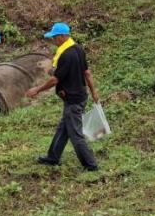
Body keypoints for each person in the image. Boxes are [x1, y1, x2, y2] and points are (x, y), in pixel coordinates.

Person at [26, 22, 100, 171]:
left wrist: (37, 90)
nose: (53, 40)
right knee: (63, 128)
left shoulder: (66, 55)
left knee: (75, 135)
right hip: (79, 96)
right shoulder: (78, 49)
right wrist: (93, 92)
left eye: (54, 37)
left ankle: (91, 165)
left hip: (73, 100)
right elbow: (87, 73)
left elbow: (55, 79)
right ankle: (53, 157)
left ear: (61, 36)